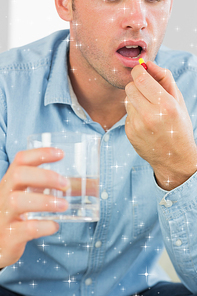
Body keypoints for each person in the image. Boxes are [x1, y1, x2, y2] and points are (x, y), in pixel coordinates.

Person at [0, 0, 197, 295]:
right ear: (66, 5)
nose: (138, 19)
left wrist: (179, 167)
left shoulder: (191, 88)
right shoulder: (7, 87)